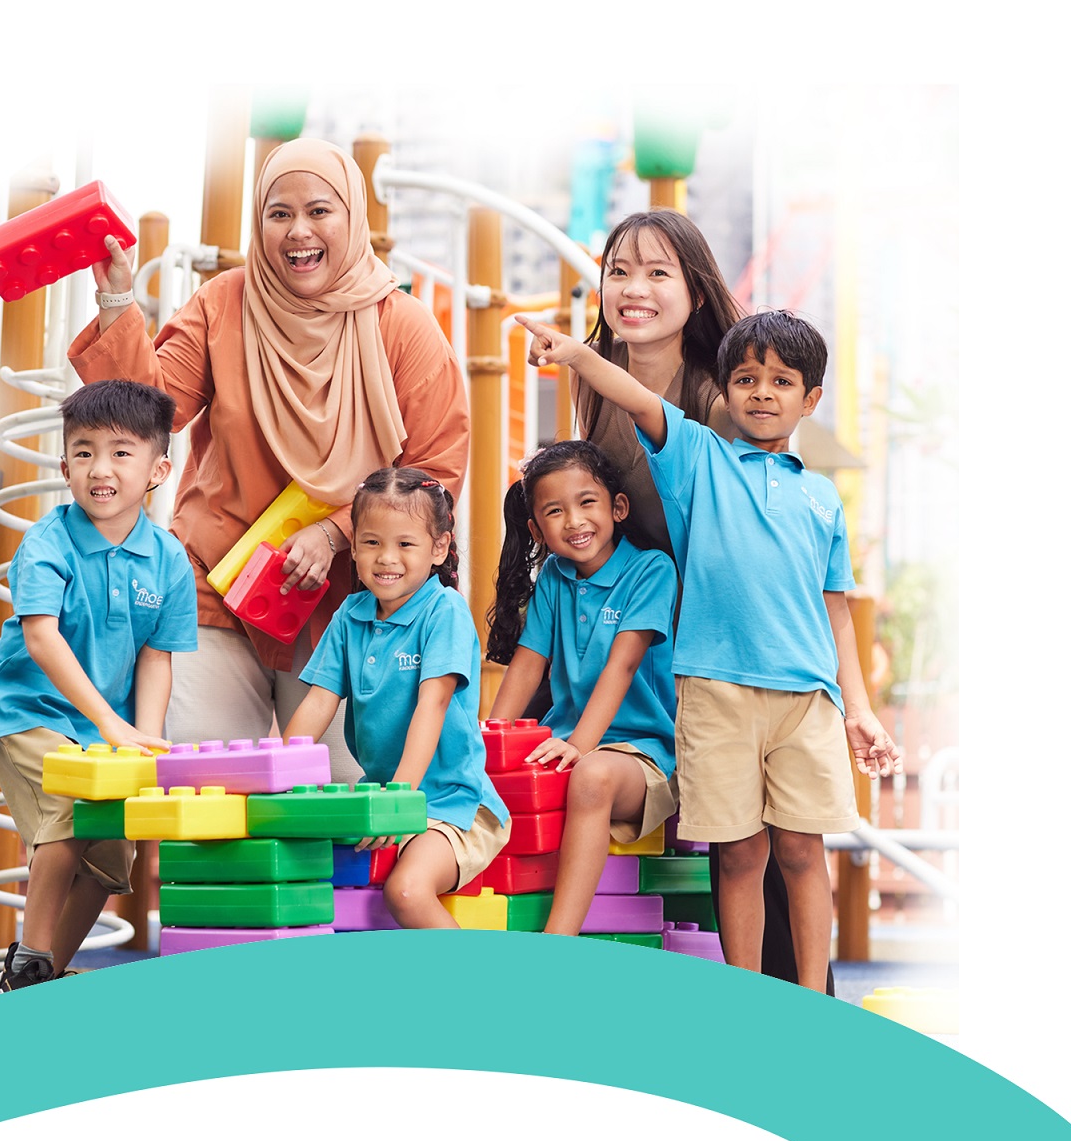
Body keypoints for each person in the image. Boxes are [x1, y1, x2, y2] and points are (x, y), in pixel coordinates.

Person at [517, 309, 901, 991]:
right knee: (741, 855)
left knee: (803, 852)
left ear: (809, 400)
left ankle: (812, 1000)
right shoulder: (696, 459)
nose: (761, 391)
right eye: (746, 378)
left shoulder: (822, 500)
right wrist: (578, 356)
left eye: (781, 381)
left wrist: (858, 710)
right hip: (715, 695)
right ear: (723, 392)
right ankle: (748, 999)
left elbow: (835, 612)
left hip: (808, 700)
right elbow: (636, 397)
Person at [67, 137, 469, 783]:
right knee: (199, 778)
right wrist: (118, 302)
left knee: (343, 793)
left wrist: (336, 532)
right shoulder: (224, 303)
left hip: (355, 600)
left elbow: (434, 471)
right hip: (216, 581)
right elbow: (145, 416)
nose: (298, 231)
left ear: (352, 217)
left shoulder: (403, 327)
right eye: (278, 213)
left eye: (319, 211)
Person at [565, 208, 821, 989]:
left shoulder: (716, 398)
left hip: (707, 639)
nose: (632, 289)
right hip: (632, 624)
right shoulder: (597, 381)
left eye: (656, 273)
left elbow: (756, 529)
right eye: (618, 272)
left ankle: (795, 993)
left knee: (769, 839)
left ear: (695, 290)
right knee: (733, 837)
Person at [0, 380, 198, 991]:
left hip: (102, 729)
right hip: (26, 710)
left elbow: (156, 658)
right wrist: (112, 726)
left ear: (158, 468)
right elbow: (42, 638)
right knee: (67, 814)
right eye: (85, 452)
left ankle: (41, 981)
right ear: (65, 466)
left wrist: (141, 738)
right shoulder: (49, 541)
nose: (101, 468)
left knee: (113, 853)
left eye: (122, 452)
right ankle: (31, 960)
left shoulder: (169, 560)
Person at [281, 467, 509, 928]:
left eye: (405, 544)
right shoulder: (351, 614)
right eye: (371, 543)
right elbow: (319, 702)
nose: (386, 558)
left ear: (438, 548)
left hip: (451, 806)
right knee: (299, 869)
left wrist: (400, 801)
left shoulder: (444, 610)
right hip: (381, 796)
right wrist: (279, 774)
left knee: (406, 892)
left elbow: (433, 706)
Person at [484, 441, 679, 937]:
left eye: (586, 503)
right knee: (486, 777)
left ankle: (559, 941)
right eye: (555, 511)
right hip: (566, 743)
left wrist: (578, 745)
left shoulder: (651, 570)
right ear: (536, 530)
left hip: (641, 754)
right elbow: (527, 667)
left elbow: (623, 665)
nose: (574, 520)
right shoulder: (554, 574)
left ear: (616, 508)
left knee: (590, 776)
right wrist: (489, 745)